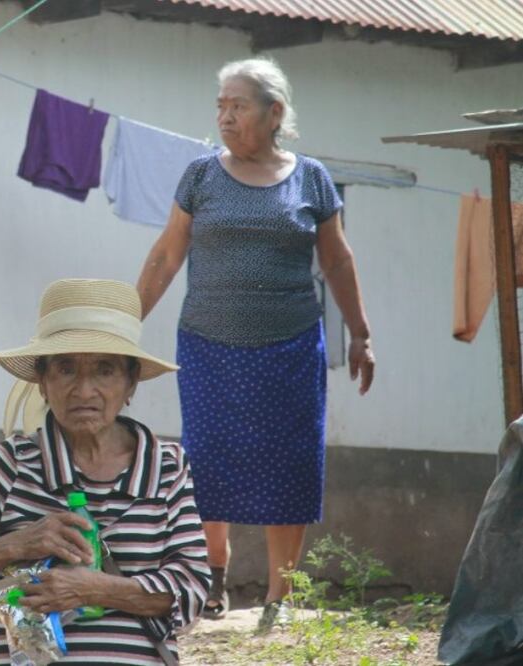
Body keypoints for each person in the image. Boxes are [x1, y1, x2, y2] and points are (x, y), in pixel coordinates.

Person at [135, 58, 375, 631]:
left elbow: (338, 260)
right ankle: (213, 574)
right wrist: (124, 323)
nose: (224, 116)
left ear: (274, 113)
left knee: (289, 462)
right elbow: (167, 254)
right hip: (208, 344)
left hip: (290, 347)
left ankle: (278, 597)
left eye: (237, 106)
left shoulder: (310, 178)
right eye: (220, 105)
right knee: (208, 456)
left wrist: (360, 334)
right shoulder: (201, 175)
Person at [0, 278, 210, 664]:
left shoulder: (166, 466)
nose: (84, 391)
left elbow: (192, 589)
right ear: (42, 381)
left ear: (131, 382)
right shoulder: (7, 465)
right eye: (66, 369)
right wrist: (17, 544)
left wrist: (93, 589)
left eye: (104, 370)